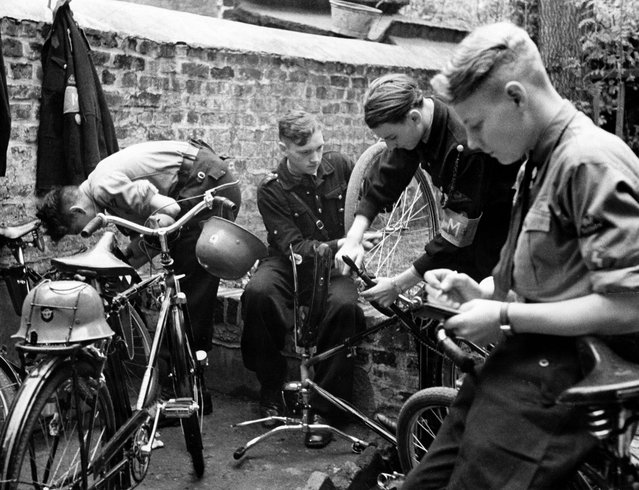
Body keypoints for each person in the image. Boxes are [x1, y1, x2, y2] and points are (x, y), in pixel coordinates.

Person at [402, 22, 639, 489]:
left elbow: (631, 304)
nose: (469, 141)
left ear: (516, 97)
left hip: (570, 375)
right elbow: (560, 271)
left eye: (475, 123)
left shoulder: (590, 161)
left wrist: (506, 316)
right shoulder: (537, 160)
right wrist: (486, 290)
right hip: (524, 358)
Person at [36, 138, 242, 414]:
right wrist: (126, 259)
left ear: (77, 211)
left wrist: (135, 249)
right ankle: (191, 393)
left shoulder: (103, 185)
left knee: (188, 292)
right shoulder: (102, 187)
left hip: (207, 184)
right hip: (198, 179)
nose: (91, 230)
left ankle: (185, 395)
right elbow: (156, 226)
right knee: (184, 287)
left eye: (80, 229)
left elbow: (169, 211)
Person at [240, 111, 369, 449]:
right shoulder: (271, 189)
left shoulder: (340, 165)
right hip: (289, 261)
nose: (315, 158)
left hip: (334, 266)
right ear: (284, 148)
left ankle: (327, 409)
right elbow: (293, 246)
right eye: (304, 152)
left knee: (343, 307)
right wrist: (342, 244)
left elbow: (368, 201)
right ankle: (270, 388)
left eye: (318, 148)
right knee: (258, 293)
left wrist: (360, 234)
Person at [335, 73, 518, 308]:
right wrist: (354, 237)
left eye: (391, 137)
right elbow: (385, 178)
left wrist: (398, 285)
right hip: (470, 212)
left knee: (461, 307)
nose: (388, 146)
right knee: (428, 308)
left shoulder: (464, 145)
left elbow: (456, 234)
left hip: (502, 223)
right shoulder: (419, 123)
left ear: (413, 117)